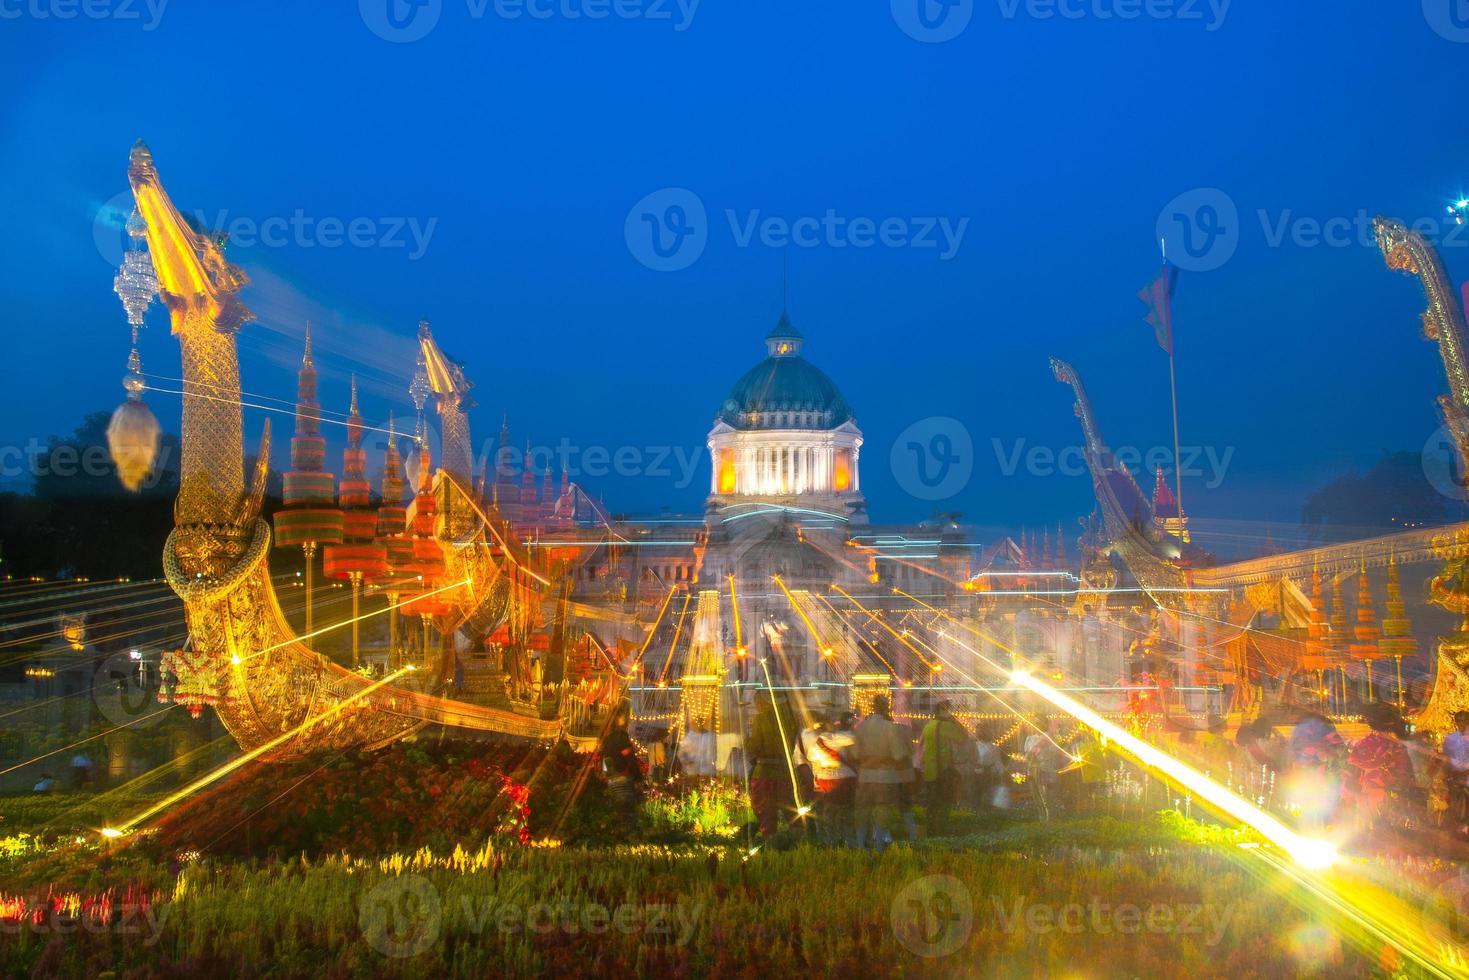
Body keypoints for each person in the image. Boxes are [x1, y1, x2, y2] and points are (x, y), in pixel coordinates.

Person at [853, 695, 910, 849]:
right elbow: (899, 754)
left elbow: (855, 754)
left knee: (863, 811)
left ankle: (860, 845)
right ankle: (878, 846)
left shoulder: (862, 727)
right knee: (883, 811)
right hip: (885, 777)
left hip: (865, 775)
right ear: (886, 707)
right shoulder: (890, 727)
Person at [1347, 703, 1412, 835]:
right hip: (1381, 788)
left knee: (1376, 821)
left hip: (1383, 788)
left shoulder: (1367, 742)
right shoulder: (1393, 744)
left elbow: (1355, 764)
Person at [802, 711, 857, 844]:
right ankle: (846, 839)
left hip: (825, 778)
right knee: (844, 810)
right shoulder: (834, 737)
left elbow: (811, 758)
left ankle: (830, 840)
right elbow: (853, 738)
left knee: (829, 811)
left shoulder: (816, 741)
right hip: (842, 778)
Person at [747, 691, 795, 839]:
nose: (757, 706)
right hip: (785, 771)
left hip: (764, 772)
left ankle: (770, 842)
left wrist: (744, 740)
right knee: (790, 809)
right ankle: (797, 842)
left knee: (765, 810)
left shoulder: (761, 719)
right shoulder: (791, 720)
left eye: (758, 702)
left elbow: (756, 746)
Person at [920, 700, 970, 837]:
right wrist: (956, 722)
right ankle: (942, 834)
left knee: (932, 805)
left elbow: (920, 744)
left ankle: (930, 833)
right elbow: (963, 737)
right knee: (944, 804)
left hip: (929, 772)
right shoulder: (946, 726)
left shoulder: (928, 726)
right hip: (943, 772)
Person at [600, 708, 643, 833]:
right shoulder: (621, 736)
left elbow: (604, 759)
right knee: (626, 808)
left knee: (615, 807)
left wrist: (606, 774)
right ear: (621, 719)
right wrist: (638, 775)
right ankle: (627, 835)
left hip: (611, 777)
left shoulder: (607, 738)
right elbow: (628, 756)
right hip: (623, 775)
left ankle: (615, 833)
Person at [1441, 711, 1469, 833]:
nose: (1462, 723)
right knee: (1456, 809)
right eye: (1459, 720)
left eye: (1465, 720)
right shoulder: (1450, 739)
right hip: (1455, 780)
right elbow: (1446, 759)